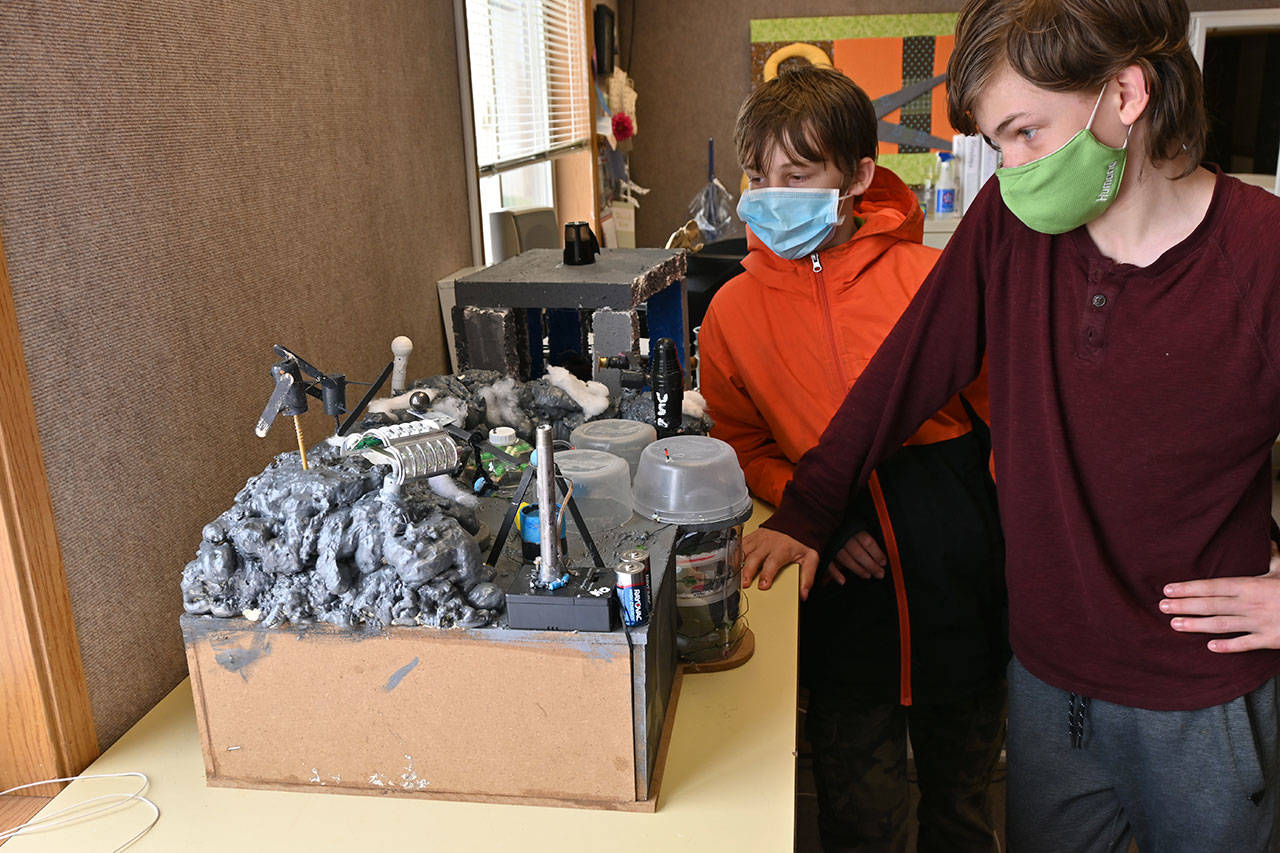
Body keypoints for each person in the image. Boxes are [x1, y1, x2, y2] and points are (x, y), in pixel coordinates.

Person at [740, 0, 1280, 849]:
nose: (1013, 169)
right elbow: (903, 375)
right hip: (1049, 683)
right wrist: (807, 511)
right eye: (998, 145)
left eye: (1027, 133)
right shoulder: (1008, 224)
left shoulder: (1261, 253)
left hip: (1201, 694)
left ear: (1126, 95)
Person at [699, 64, 1008, 852]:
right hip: (839, 601)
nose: (773, 196)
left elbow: (1003, 425)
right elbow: (740, 446)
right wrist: (820, 519)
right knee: (859, 820)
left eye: (798, 175)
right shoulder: (730, 312)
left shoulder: (931, 280)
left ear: (860, 177)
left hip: (959, 592)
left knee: (965, 811)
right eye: (760, 177)